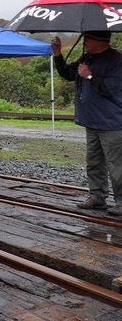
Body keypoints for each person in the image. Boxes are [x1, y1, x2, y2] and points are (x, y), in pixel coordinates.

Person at [51, 31, 122, 215]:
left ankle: (121, 201)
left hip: (112, 122)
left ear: (100, 41)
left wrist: (90, 76)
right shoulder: (87, 58)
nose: (85, 42)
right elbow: (68, 73)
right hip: (91, 120)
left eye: (88, 39)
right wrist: (58, 54)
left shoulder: (116, 60)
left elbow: (111, 89)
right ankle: (97, 197)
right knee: (94, 162)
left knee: (116, 164)